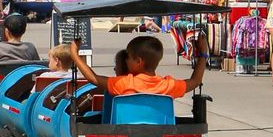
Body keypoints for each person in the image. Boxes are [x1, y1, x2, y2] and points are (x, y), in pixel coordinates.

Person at [71, 34, 209, 97]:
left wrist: (75, 54)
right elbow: (195, 81)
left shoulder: (125, 83)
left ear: (138, 61)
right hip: (159, 135)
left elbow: (93, 79)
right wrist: (203, 54)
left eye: (129, 58)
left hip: (126, 134)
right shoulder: (168, 85)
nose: (126, 61)